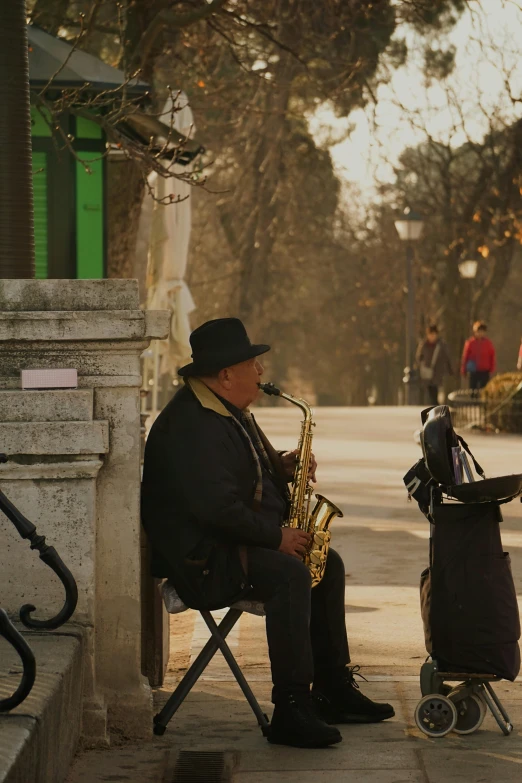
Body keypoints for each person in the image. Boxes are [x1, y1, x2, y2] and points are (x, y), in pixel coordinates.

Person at [141, 318, 394, 750]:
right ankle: (292, 708)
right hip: (201, 560)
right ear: (225, 375)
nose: (261, 373)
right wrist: (276, 538)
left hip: (226, 544)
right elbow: (215, 507)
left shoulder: (225, 410)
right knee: (290, 575)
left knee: (327, 565)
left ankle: (332, 688)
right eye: (252, 364)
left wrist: (286, 464)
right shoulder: (191, 425)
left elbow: (244, 473)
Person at [415, 324, 454, 406]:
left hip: (438, 371)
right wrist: (420, 365)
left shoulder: (441, 345)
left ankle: (435, 406)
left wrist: (450, 368)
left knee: (435, 390)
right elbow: (419, 356)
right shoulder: (424, 344)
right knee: (429, 390)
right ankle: (434, 406)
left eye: (433, 334)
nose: (432, 336)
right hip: (427, 371)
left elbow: (447, 357)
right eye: (430, 334)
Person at [461, 321, 496, 392]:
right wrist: (463, 369)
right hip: (473, 371)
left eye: (482, 331)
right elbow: (465, 357)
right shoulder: (470, 343)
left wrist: (492, 368)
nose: (480, 333)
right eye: (478, 331)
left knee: (484, 391)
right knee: (473, 390)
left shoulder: (488, 343)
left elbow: (492, 356)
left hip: (485, 371)